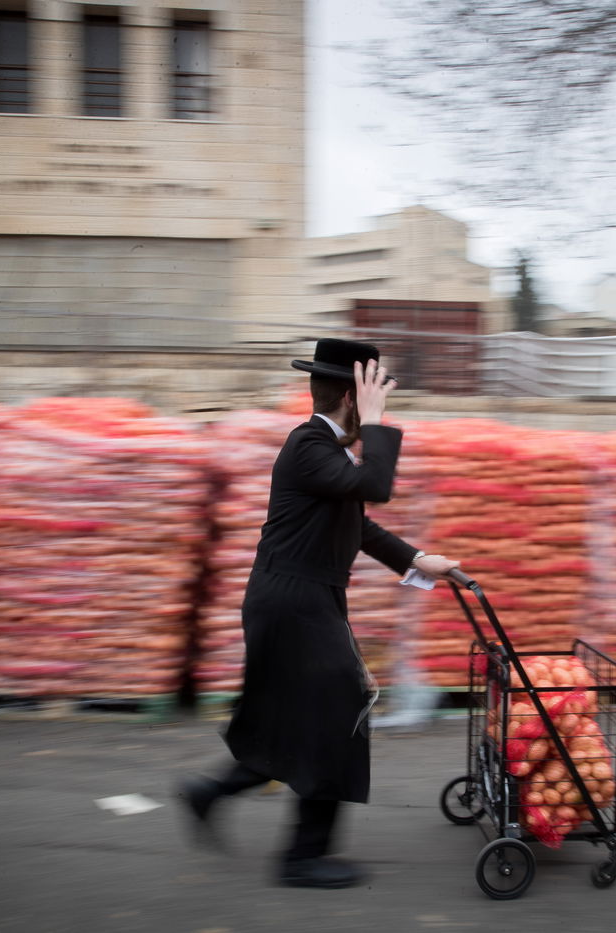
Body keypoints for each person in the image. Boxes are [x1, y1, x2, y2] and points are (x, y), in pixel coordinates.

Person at [177, 338, 460, 889]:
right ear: (354, 402)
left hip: (297, 600)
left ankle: (209, 793)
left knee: (296, 720)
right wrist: (376, 423)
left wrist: (421, 561)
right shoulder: (308, 445)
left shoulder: (324, 452)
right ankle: (303, 858)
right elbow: (375, 488)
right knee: (340, 712)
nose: (379, 413)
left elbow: (357, 524)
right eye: (374, 401)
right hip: (293, 602)